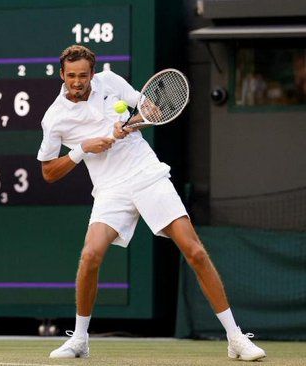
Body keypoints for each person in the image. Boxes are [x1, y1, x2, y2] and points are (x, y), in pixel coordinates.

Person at [37, 45, 266, 361]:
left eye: (84, 76)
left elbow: (152, 110)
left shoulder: (110, 82)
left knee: (195, 250)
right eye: (72, 76)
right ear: (62, 75)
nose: (78, 82)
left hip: (145, 173)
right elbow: (48, 171)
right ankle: (79, 340)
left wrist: (132, 123)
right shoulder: (55, 118)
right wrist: (82, 149)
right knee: (90, 255)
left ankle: (235, 338)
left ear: (93, 73)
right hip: (110, 190)